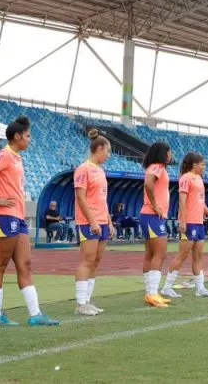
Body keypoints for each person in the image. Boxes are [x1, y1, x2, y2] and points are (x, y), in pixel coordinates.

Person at [0, 116, 58, 327]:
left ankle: (35, 314)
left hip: (17, 217)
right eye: (28, 136)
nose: (29, 140)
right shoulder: (5, 155)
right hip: (3, 216)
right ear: (17, 136)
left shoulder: (17, 158)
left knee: (25, 264)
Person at [162, 151, 208, 299]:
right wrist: (182, 220)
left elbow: (200, 200)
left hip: (199, 222)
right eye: (202, 164)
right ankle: (167, 287)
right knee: (183, 254)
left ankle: (200, 288)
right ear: (194, 165)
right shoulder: (186, 178)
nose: (204, 166)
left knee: (198, 256)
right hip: (190, 222)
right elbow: (182, 200)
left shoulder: (199, 178)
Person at [74, 129, 113, 315]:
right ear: (99, 149)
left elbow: (103, 199)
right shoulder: (83, 169)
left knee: (96, 261)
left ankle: (88, 300)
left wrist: (109, 221)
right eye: (108, 150)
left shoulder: (101, 171)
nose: (109, 154)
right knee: (87, 260)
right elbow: (80, 198)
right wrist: (92, 222)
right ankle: (81, 303)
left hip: (102, 220)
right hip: (88, 222)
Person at [138, 141, 172, 308]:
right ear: (163, 153)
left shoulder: (156, 167)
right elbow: (148, 184)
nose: (170, 155)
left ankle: (150, 293)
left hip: (151, 216)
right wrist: (155, 205)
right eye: (169, 152)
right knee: (160, 253)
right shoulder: (157, 167)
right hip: (152, 216)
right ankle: (152, 293)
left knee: (151, 254)